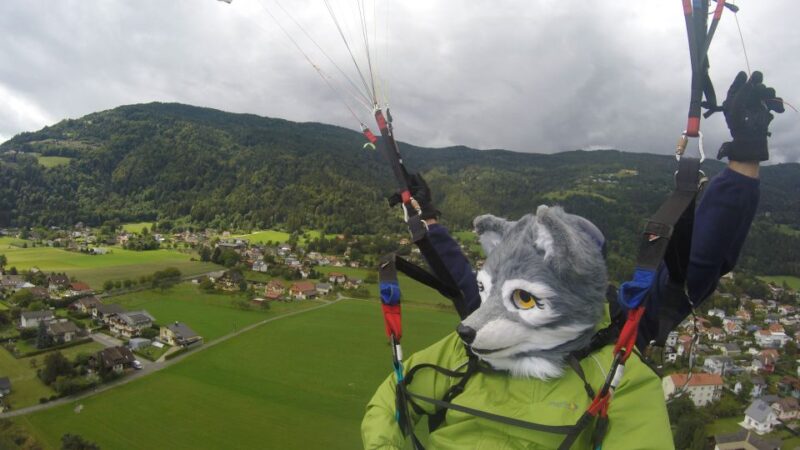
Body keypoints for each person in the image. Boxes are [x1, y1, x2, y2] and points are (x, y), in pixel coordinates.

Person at [362, 71, 783, 449]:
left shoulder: (618, 341)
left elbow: (695, 263)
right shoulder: (484, 328)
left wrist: (745, 158)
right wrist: (427, 219)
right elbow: (458, 279)